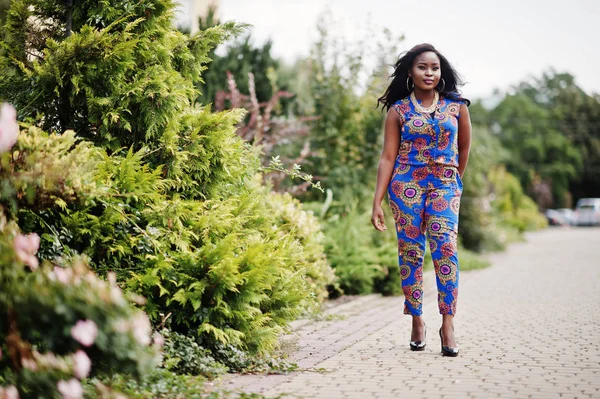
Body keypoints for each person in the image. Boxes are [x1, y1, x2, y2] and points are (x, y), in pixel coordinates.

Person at [371, 43, 471, 357]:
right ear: (410, 72)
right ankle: (416, 320)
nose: (429, 73)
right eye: (422, 67)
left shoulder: (457, 107)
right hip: (405, 187)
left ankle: (447, 324)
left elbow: (464, 149)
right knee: (411, 252)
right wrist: (377, 201)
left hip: (444, 185)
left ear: (441, 73)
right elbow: (387, 158)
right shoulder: (398, 110)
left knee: (445, 250)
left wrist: (453, 180)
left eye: (435, 67)